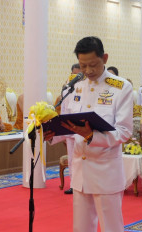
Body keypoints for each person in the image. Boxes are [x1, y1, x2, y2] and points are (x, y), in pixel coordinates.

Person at [45, 37, 133, 232]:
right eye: (83, 66)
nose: (88, 71)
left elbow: (124, 132)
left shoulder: (120, 87)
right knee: (81, 228)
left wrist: (91, 136)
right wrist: (51, 134)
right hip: (80, 170)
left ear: (105, 58)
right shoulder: (75, 86)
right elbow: (68, 123)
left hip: (106, 170)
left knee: (112, 227)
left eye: (93, 65)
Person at [61, 63, 83, 195]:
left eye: (78, 75)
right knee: (71, 160)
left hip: (82, 131)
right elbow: (63, 111)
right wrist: (63, 132)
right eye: (74, 74)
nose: (76, 77)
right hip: (69, 130)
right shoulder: (66, 91)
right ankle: (72, 185)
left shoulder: (87, 90)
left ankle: (81, 185)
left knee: (81, 160)